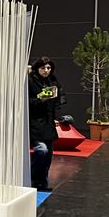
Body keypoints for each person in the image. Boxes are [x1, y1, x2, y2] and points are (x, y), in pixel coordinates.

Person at [28, 56, 64, 190]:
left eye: (48, 68)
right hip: (34, 121)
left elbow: (56, 103)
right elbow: (26, 102)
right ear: (37, 68)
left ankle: (42, 182)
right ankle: (33, 179)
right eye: (43, 68)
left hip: (48, 122)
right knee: (42, 150)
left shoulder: (52, 81)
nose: (46, 70)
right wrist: (41, 98)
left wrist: (56, 118)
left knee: (48, 156)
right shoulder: (30, 81)